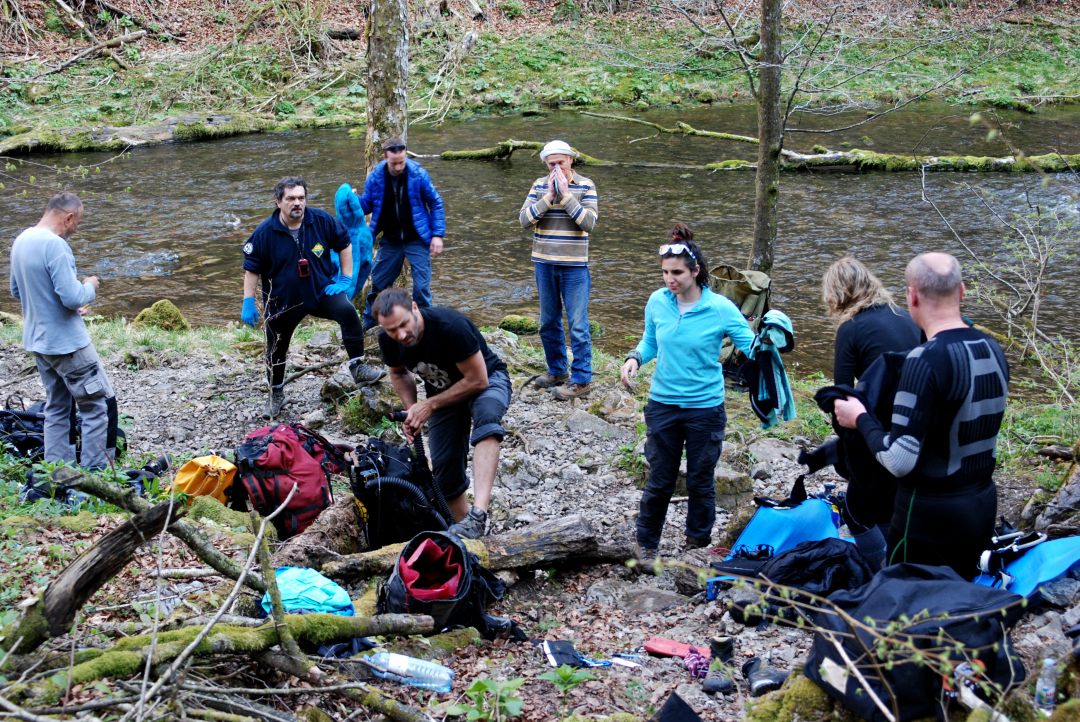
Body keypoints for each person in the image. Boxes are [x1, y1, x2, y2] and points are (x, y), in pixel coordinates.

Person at [834, 252, 1008, 579]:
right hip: (982, 503)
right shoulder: (992, 347)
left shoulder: (922, 360)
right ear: (962, 291)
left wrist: (860, 418)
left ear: (912, 296)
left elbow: (899, 460)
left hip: (928, 514)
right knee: (959, 592)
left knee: (909, 599)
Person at [620, 225, 754, 561]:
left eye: (677, 273)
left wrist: (772, 340)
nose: (670, 279)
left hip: (705, 408)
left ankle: (697, 544)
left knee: (700, 479)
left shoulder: (721, 308)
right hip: (663, 404)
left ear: (695, 271)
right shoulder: (657, 301)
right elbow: (650, 341)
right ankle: (646, 545)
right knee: (660, 479)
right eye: (665, 272)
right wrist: (635, 358)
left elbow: (753, 347)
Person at [374, 288, 511, 539]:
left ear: (415, 308)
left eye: (404, 324)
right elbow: (398, 373)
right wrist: (412, 409)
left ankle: (478, 515)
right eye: (392, 330)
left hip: (488, 381)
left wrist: (428, 405)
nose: (401, 334)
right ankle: (464, 533)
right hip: (444, 394)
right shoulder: (388, 340)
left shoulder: (450, 326)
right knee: (444, 466)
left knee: (487, 419)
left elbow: (478, 380)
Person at [242, 177, 384, 419]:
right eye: (291, 198)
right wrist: (248, 301)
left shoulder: (321, 220)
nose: (297, 203)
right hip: (283, 300)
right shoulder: (264, 233)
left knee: (348, 312)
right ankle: (276, 393)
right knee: (276, 346)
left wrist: (345, 278)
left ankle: (358, 367)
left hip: (321, 291)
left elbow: (344, 243)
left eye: (301, 198)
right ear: (278, 202)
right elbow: (252, 268)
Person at [9, 192, 118, 470]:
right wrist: (90, 286)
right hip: (68, 344)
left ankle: (58, 473)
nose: (76, 229)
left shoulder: (22, 240)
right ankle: (96, 475)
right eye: (77, 222)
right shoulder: (56, 245)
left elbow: (17, 291)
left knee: (57, 407)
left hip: (38, 341)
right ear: (68, 217)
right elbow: (72, 297)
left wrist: (57, 305)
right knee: (97, 406)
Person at [519, 139, 599, 401]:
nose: (556, 169)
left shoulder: (585, 185)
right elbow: (524, 220)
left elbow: (589, 223)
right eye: (551, 164)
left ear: (571, 160)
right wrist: (548, 198)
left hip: (575, 265)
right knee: (548, 322)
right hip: (544, 263)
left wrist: (565, 197)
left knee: (578, 324)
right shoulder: (539, 185)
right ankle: (557, 370)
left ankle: (582, 379)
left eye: (560, 163)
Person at [357, 137, 446, 331]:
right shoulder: (376, 177)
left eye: (401, 162)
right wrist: (353, 200)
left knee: (421, 288)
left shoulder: (418, 174)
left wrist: (437, 235)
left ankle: (425, 326)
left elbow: (436, 203)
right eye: (394, 163)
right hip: (391, 240)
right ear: (385, 158)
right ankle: (369, 324)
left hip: (417, 239)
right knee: (378, 284)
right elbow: (367, 205)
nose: (398, 167)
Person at [822, 256, 920, 387]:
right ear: (870, 282)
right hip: (923, 395)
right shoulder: (904, 314)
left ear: (836, 296)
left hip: (888, 398)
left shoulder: (850, 329)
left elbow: (843, 388)